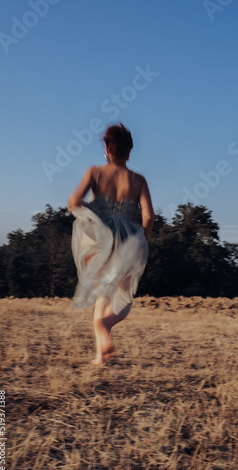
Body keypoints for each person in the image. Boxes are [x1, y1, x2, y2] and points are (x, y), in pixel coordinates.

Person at [68, 123, 154, 365]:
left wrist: (86, 210)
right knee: (123, 296)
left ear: (107, 148)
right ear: (129, 151)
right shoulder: (139, 180)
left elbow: (74, 201)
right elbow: (149, 217)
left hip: (100, 240)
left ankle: (100, 353)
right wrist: (141, 242)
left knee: (102, 294)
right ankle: (105, 326)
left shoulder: (94, 172)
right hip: (129, 241)